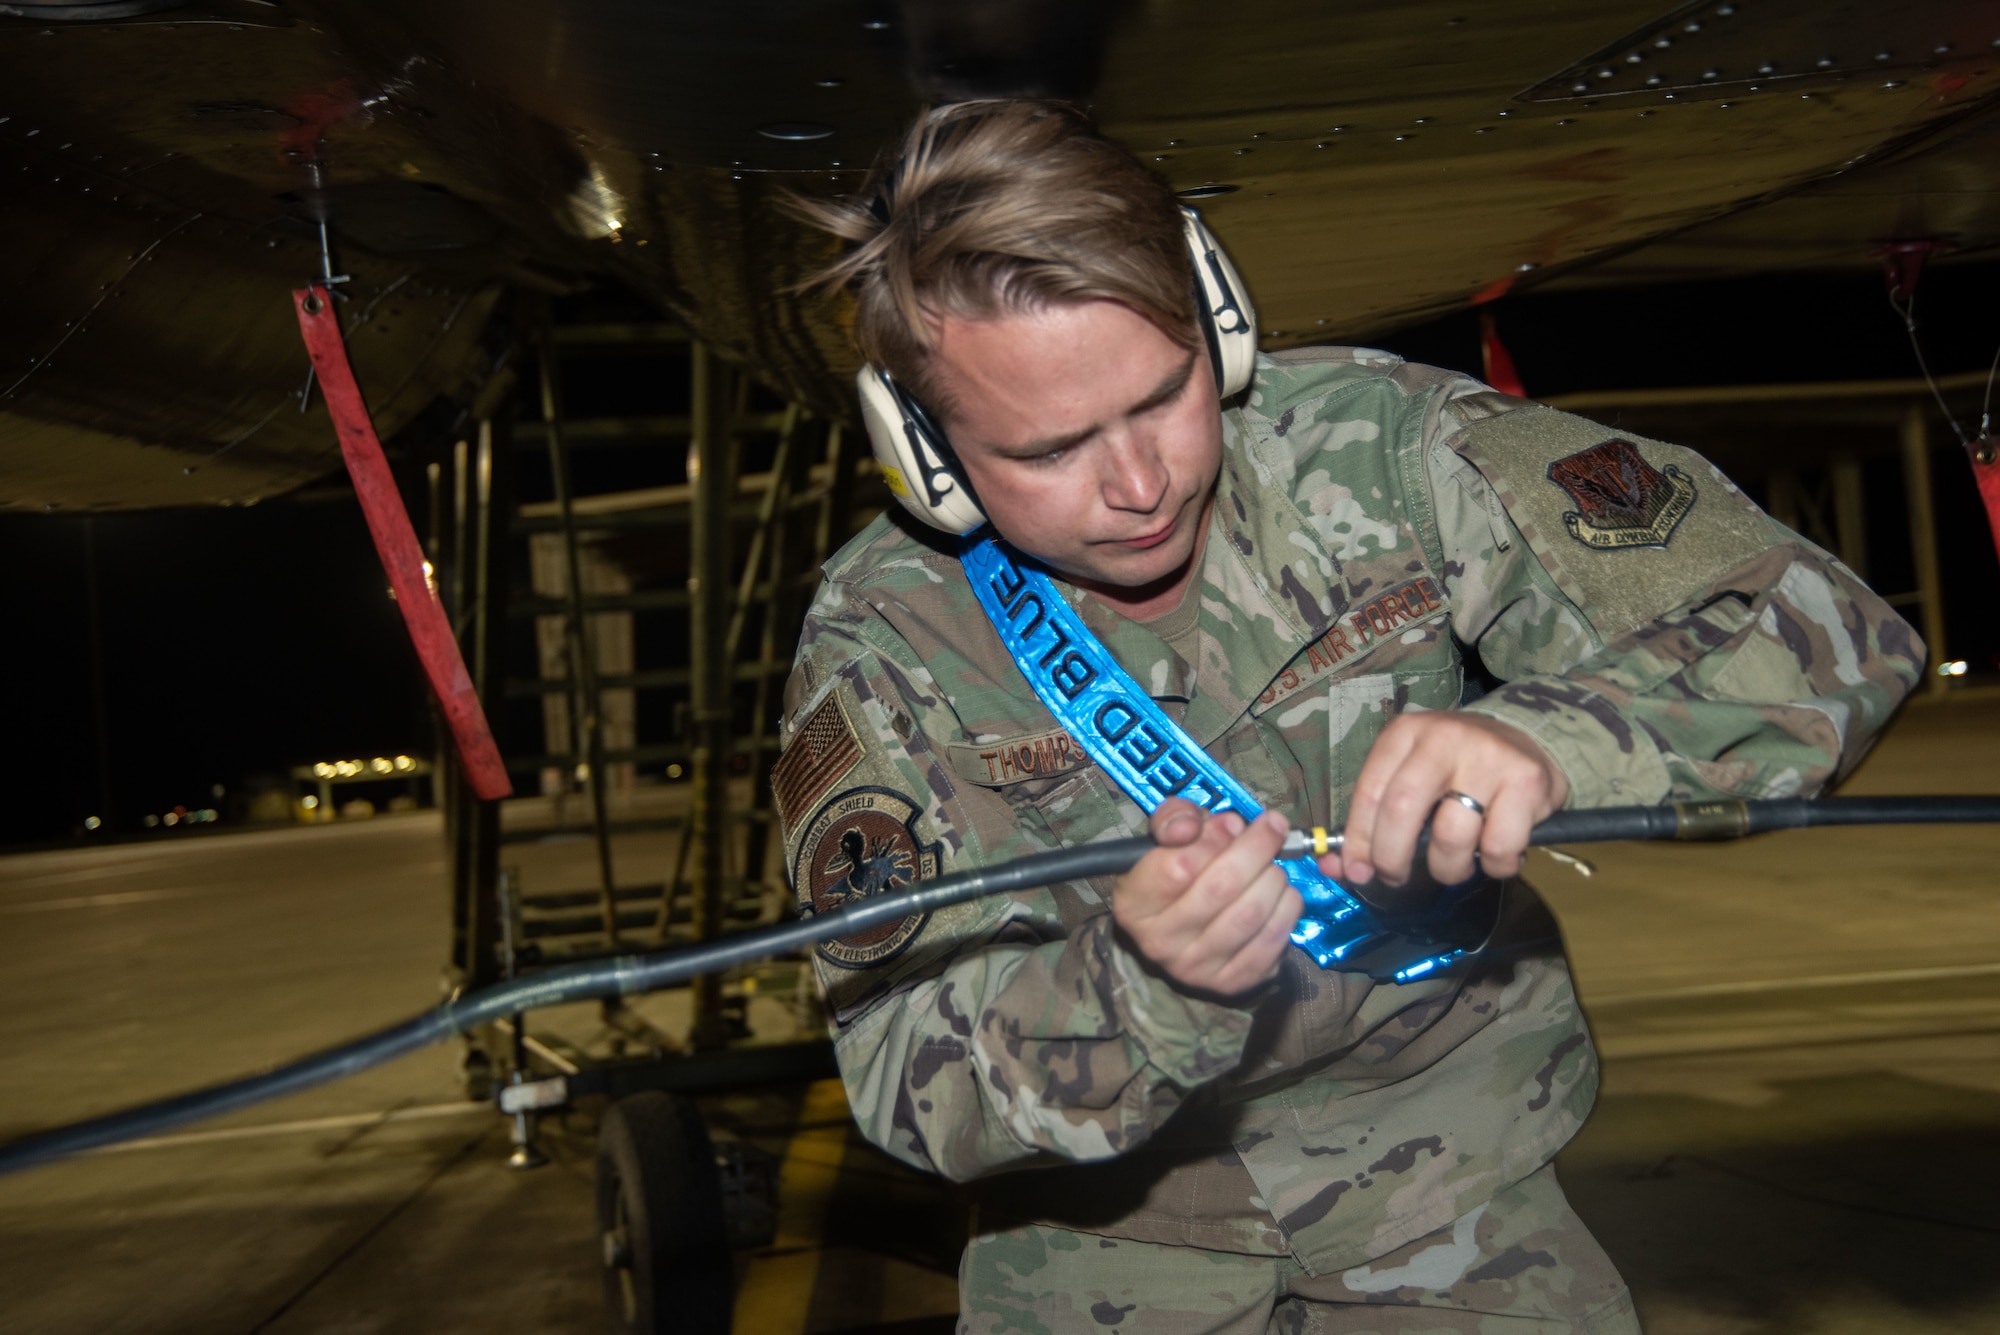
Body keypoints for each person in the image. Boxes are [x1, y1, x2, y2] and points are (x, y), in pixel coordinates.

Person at [771, 100, 1921, 1333]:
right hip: (1103, 1249)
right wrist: (1143, 984)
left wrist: (1554, 734)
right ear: (924, 452)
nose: (1139, 484)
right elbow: (905, 1073)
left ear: (1219, 320)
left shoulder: (1382, 450)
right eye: (1049, 451)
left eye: (1164, 395)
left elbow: (1823, 629)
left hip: (1451, 1190)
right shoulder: (888, 640)